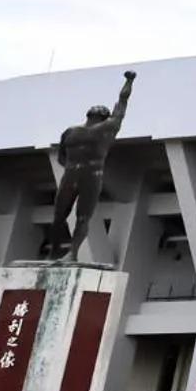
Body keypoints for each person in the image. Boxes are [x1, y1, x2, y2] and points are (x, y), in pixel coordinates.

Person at [47, 71, 136, 260]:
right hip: (90, 174)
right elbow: (122, 103)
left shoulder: (71, 132)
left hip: (73, 174)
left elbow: (61, 157)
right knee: (78, 216)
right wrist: (129, 81)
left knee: (62, 215)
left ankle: (60, 252)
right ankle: (68, 252)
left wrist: (72, 167)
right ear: (104, 116)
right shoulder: (107, 128)